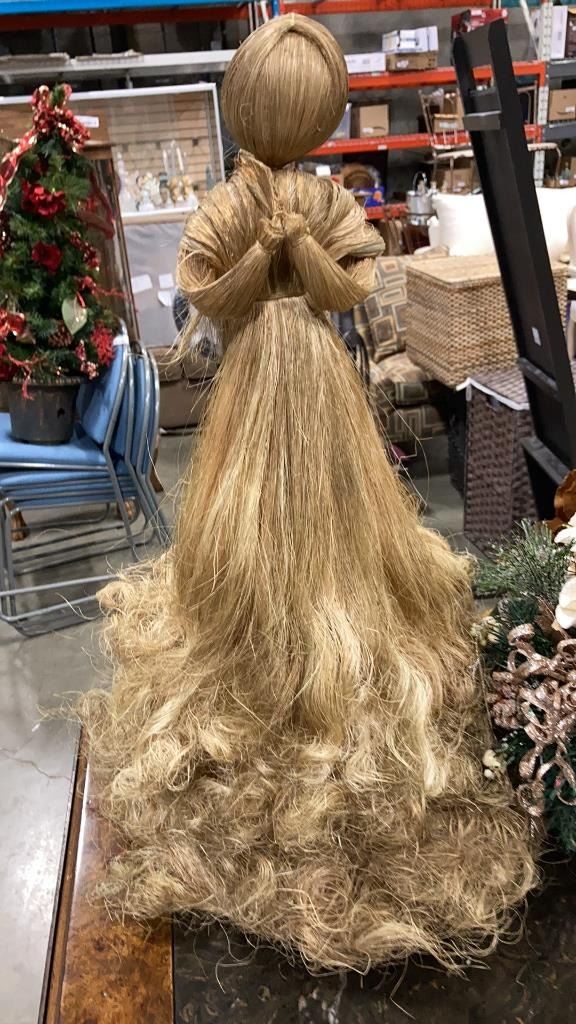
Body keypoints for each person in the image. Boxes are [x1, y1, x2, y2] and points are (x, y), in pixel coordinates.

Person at [78, 14, 536, 971]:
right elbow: (214, 296)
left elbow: (346, 291)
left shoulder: (325, 196)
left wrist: (301, 245)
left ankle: (325, 646)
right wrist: (262, 251)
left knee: (339, 533)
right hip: (257, 382)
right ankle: (259, 652)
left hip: (316, 386)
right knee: (246, 539)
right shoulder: (231, 200)